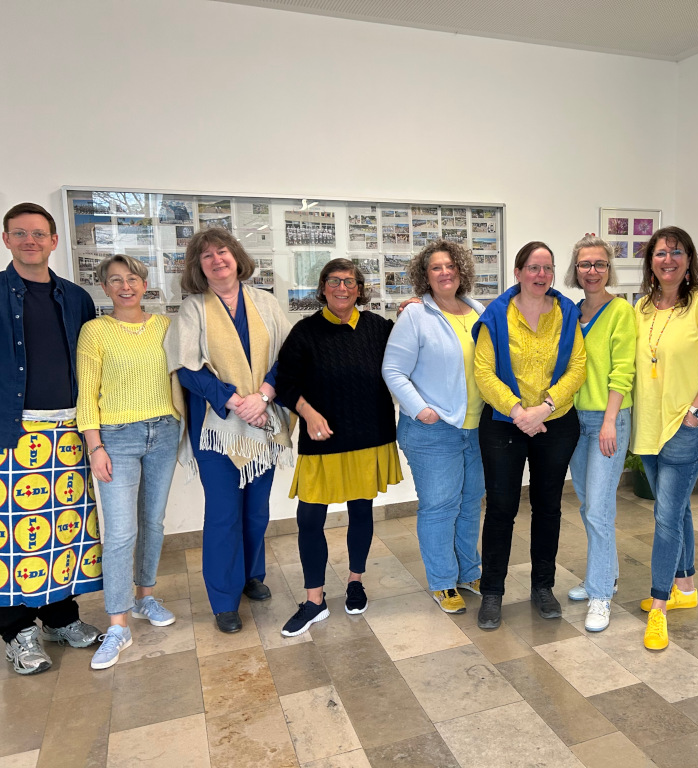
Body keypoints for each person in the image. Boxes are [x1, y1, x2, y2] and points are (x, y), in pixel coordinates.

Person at [164, 229, 293, 634]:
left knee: (256, 509)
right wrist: (238, 402)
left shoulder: (265, 302)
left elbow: (289, 356)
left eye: (222, 252)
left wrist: (264, 395)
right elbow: (186, 368)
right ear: (198, 267)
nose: (217, 260)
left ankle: (251, 575)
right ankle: (224, 599)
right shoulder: (194, 309)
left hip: (264, 420)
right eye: (207, 256)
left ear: (237, 257)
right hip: (217, 428)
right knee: (223, 514)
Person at [275, 259, 401, 636]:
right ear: (322, 288)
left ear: (360, 289)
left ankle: (355, 582)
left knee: (361, 511)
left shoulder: (379, 328)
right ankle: (314, 601)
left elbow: (409, 355)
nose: (342, 288)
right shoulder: (304, 332)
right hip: (322, 439)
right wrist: (308, 412)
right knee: (309, 519)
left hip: (369, 436)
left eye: (349, 282)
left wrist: (414, 309)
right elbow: (285, 383)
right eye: (334, 281)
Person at [1, 202, 101, 675]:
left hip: (68, 430)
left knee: (65, 531)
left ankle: (61, 618)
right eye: (20, 233)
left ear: (54, 240)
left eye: (39, 233)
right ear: (6, 239)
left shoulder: (76, 298)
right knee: (10, 539)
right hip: (12, 431)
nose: (30, 241)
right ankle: (16, 631)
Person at [472, 241, 586, 629]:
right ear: (518, 273)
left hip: (555, 422)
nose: (542, 275)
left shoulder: (567, 313)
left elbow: (578, 367)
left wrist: (545, 408)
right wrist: (520, 412)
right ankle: (492, 592)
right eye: (534, 268)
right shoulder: (496, 314)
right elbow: (484, 371)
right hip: (504, 423)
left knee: (548, 506)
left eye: (548, 268)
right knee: (501, 508)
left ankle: (542, 587)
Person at [77, 255, 181, 668]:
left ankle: (144, 597)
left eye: (133, 278)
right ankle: (118, 625)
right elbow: (87, 393)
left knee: (153, 522)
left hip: (164, 431)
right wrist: (95, 446)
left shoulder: (164, 326)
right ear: (104, 287)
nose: (126, 286)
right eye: (116, 280)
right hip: (116, 438)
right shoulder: (95, 331)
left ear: (144, 283)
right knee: (121, 532)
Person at [633, 226, 698, 651]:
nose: (668, 260)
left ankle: (659, 606)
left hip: (684, 427)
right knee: (676, 509)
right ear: (650, 262)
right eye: (660, 253)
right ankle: (685, 587)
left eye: (676, 252)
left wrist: (694, 416)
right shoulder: (641, 308)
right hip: (648, 428)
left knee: (666, 517)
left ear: (689, 260)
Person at [383, 241, 486, 615]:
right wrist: (422, 410)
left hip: (476, 428)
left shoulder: (477, 311)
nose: (445, 273)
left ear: (461, 270)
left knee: (470, 503)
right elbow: (393, 370)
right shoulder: (415, 315)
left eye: (450, 266)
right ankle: (443, 582)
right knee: (440, 507)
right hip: (433, 430)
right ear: (424, 276)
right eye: (436, 268)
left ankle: (469, 573)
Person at [563, 236, 636, 632]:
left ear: (609, 269)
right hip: (576, 421)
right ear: (575, 270)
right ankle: (602, 575)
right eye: (585, 264)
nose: (592, 271)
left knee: (598, 509)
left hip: (609, 419)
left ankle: (602, 594)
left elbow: (623, 370)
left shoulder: (620, 311)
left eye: (600, 264)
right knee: (589, 504)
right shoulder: (572, 312)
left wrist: (609, 420)